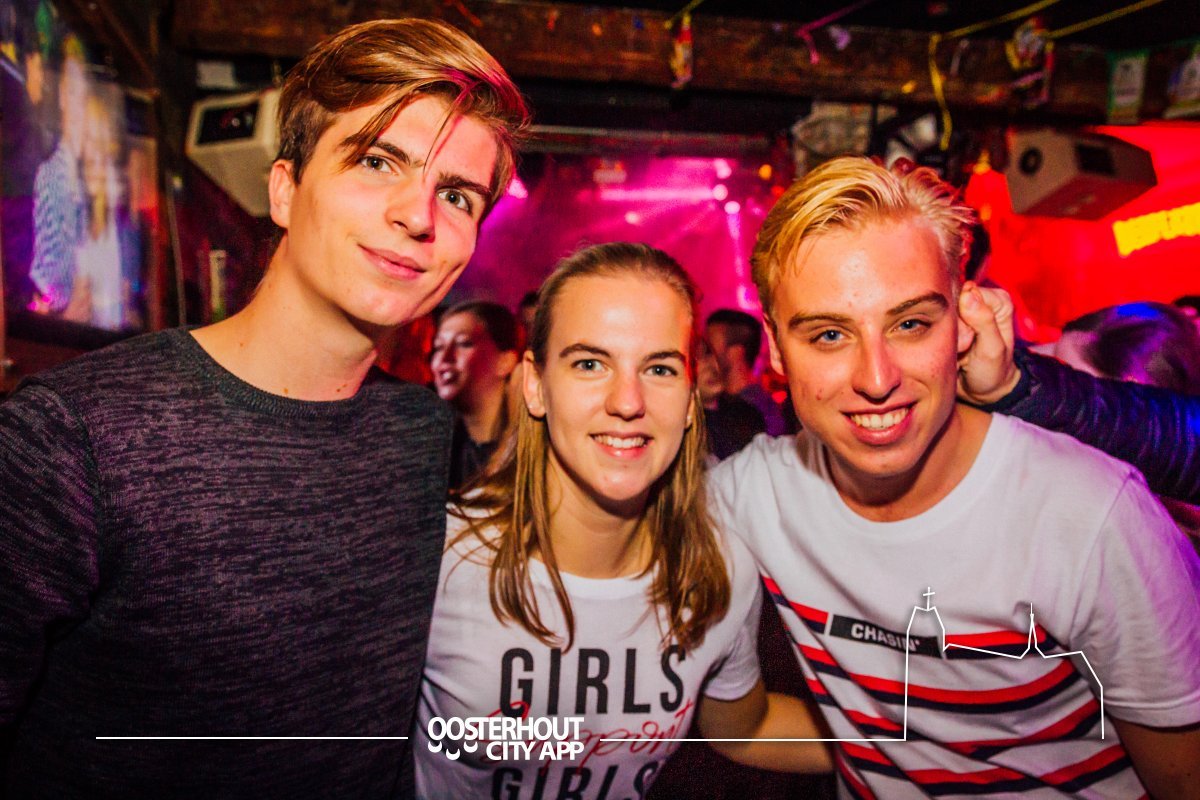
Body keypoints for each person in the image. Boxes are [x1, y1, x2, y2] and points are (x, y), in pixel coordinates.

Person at [0, 18, 528, 798]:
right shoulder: (71, 439)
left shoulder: (423, 435)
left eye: (457, 195)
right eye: (377, 160)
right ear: (284, 189)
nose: (419, 215)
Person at [712, 157, 1200, 798]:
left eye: (910, 324)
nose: (877, 378)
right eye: (829, 334)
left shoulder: (1092, 516)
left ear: (963, 323)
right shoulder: (752, 496)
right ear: (776, 349)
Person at [415, 243, 831, 799]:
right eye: (590, 364)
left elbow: (744, 728)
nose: (628, 401)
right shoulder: (438, 561)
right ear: (536, 385)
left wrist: (915, 747)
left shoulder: (717, 569)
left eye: (659, 368)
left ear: (690, 397)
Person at [28, 33, 89, 313]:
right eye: (73, 92)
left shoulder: (91, 177)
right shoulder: (51, 176)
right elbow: (43, 284)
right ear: (63, 96)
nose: (79, 104)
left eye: (85, 94)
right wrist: (64, 310)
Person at [431, 300, 522, 488]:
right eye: (438, 347)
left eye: (464, 344)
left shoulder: (530, 450)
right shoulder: (437, 446)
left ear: (505, 362)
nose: (444, 359)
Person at [705, 308, 790, 436]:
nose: (703, 355)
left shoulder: (758, 410)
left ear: (736, 352)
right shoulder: (720, 402)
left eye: (710, 347)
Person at [696, 333, 765, 460]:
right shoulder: (686, 432)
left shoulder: (746, 414)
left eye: (708, 353)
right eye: (695, 359)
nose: (708, 365)